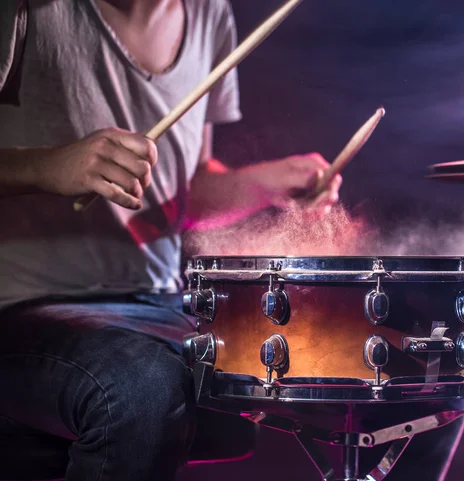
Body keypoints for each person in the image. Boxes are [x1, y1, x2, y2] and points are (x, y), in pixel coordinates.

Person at [0, 0, 341, 480]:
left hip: (160, 303)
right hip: (23, 304)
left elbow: (182, 194)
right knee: (144, 387)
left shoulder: (208, 14)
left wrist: (266, 183)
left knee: (391, 360)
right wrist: (47, 165)